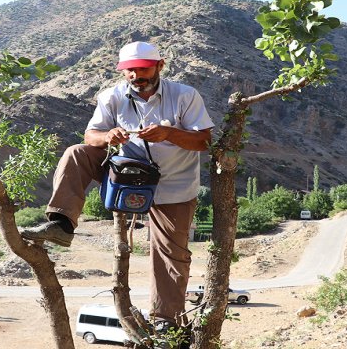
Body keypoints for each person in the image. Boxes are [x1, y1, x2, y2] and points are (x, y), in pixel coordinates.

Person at [21, 41, 213, 327]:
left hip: (173, 185)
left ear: (160, 66)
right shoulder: (112, 96)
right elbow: (91, 136)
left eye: (143, 69)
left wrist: (169, 134)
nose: (136, 76)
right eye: (130, 71)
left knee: (170, 254)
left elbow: (204, 140)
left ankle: (166, 321)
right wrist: (108, 136)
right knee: (76, 153)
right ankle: (61, 224)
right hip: (125, 174)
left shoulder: (185, 96)